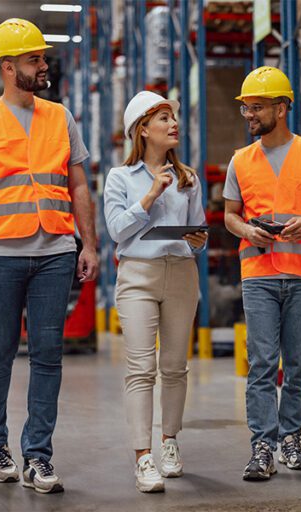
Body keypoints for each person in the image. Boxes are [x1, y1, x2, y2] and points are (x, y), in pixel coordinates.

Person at [0, 18, 99, 495]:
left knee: (48, 353)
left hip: (54, 249)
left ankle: (39, 456)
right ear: (9, 68)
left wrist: (88, 243)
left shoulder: (61, 117)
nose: (43, 65)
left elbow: (77, 185)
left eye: (42, 58)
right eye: (34, 59)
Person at [223, 67, 301, 481]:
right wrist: (247, 229)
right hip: (258, 273)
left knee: (297, 363)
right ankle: (262, 446)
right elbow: (229, 216)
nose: (249, 115)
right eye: (245, 108)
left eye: (256, 107)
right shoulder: (241, 160)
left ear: (282, 107)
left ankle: (291, 438)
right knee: (261, 363)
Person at [103, 91, 207, 493]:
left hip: (181, 273)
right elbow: (116, 230)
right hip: (138, 276)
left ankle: (170, 444)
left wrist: (197, 239)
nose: (173, 124)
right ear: (142, 129)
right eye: (164, 118)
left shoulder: (189, 178)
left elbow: (196, 233)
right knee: (140, 370)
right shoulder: (120, 178)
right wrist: (150, 196)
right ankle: (142, 457)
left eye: (174, 118)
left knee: (176, 366)